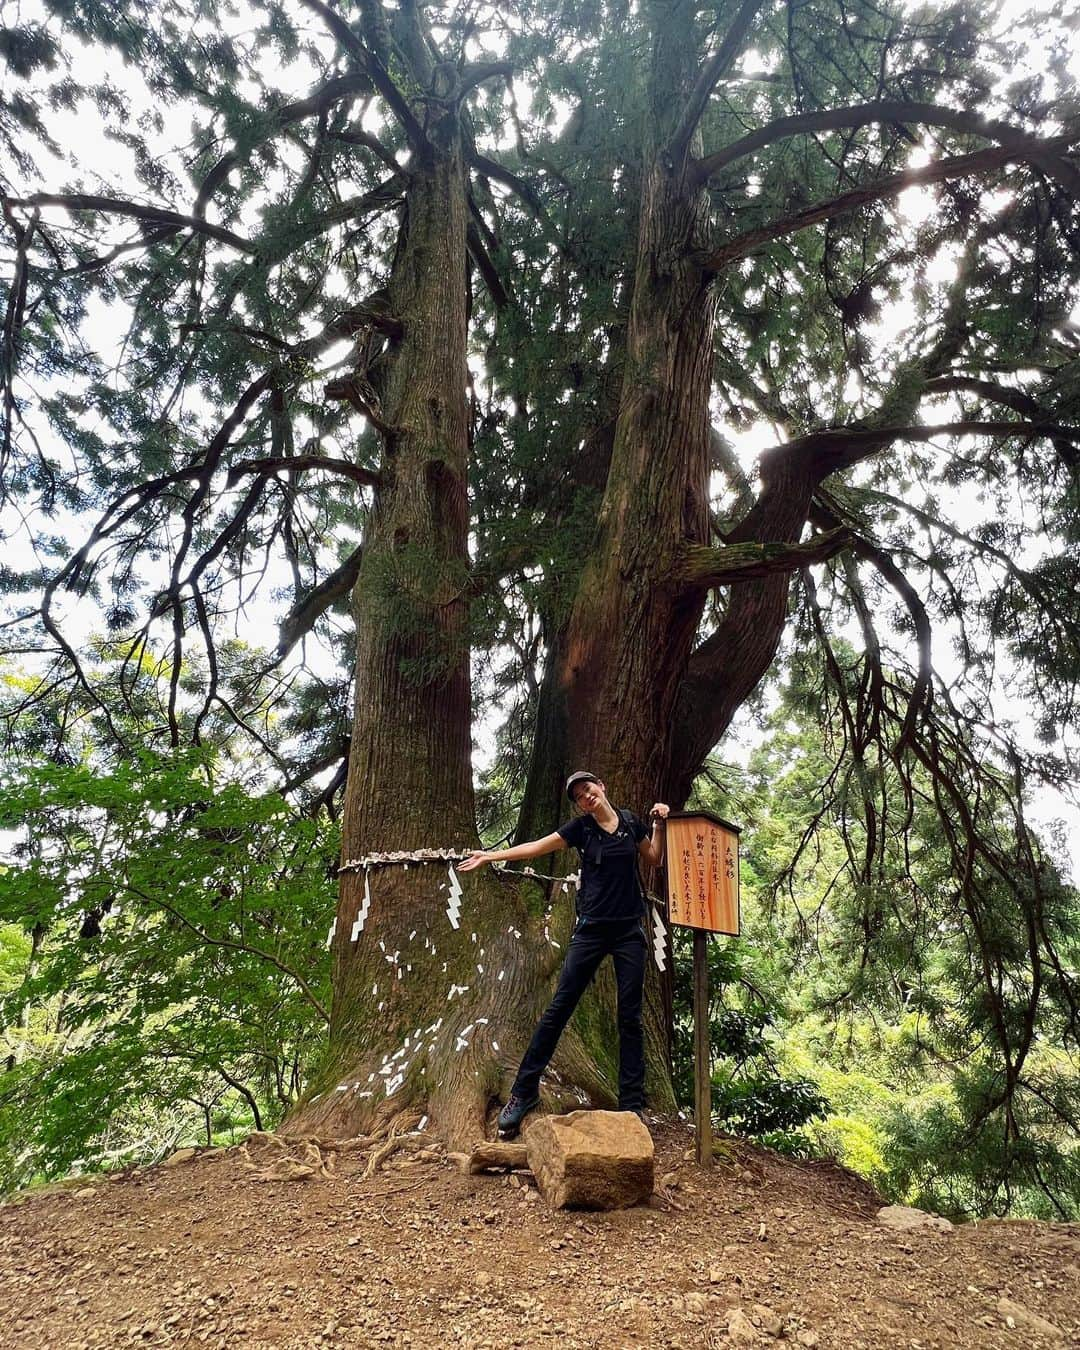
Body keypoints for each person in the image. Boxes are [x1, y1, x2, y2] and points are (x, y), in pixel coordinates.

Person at [460, 770, 669, 1135]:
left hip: (628, 931)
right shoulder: (580, 829)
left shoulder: (632, 822)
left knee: (630, 1017)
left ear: (602, 787)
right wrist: (491, 856)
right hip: (590, 929)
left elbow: (653, 858)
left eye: (588, 789)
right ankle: (523, 1093)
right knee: (559, 1009)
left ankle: (632, 1107)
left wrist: (660, 824)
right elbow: (537, 847)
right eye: (578, 796)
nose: (585, 796)